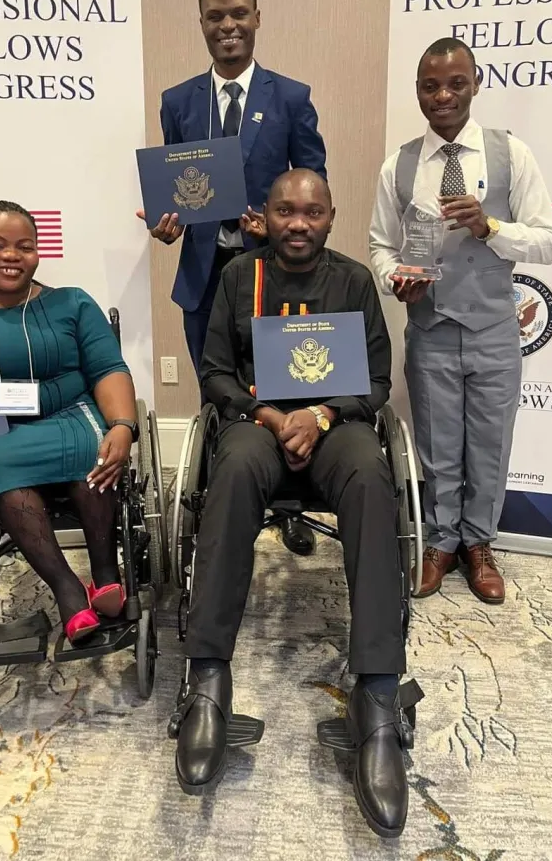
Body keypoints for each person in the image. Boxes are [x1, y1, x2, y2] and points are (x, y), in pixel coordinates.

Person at [172, 170, 412, 839]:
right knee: (235, 466)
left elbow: (378, 379)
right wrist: (273, 416)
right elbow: (215, 369)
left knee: (370, 474)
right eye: (285, 210)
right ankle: (208, 677)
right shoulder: (237, 277)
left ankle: (378, 693)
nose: (298, 223)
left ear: (331, 217)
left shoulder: (354, 280)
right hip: (261, 422)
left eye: (312, 212)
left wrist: (322, 414)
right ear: (266, 216)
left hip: (335, 424)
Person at [137, 0, 327, 557]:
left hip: (272, 276)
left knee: (285, 388)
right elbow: (177, 189)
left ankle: (289, 503)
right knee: (217, 393)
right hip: (203, 277)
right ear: (201, 25)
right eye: (216, 17)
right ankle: (222, 503)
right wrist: (165, 225)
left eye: (239, 14)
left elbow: (313, 186)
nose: (228, 26)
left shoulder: (290, 97)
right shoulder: (178, 101)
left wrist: (274, 227)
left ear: (257, 18)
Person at [369, 38, 552, 604]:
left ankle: (480, 545)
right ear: (419, 92)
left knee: (489, 444)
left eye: (456, 83)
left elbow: (549, 242)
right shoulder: (399, 165)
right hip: (429, 329)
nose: (443, 95)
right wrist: (393, 278)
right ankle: (442, 542)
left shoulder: (510, 154)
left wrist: (491, 228)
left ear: (476, 83)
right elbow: (381, 245)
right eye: (431, 86)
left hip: (495, 330)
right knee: (438, 444)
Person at [0, 201, 139, 644]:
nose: (11, 255)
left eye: (24, 246)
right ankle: (67, 588)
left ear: (38, 253)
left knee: (97, 451)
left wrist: (122, 426)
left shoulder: (71, 301)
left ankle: (105, 573)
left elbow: (109, 368)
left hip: (71, 413)